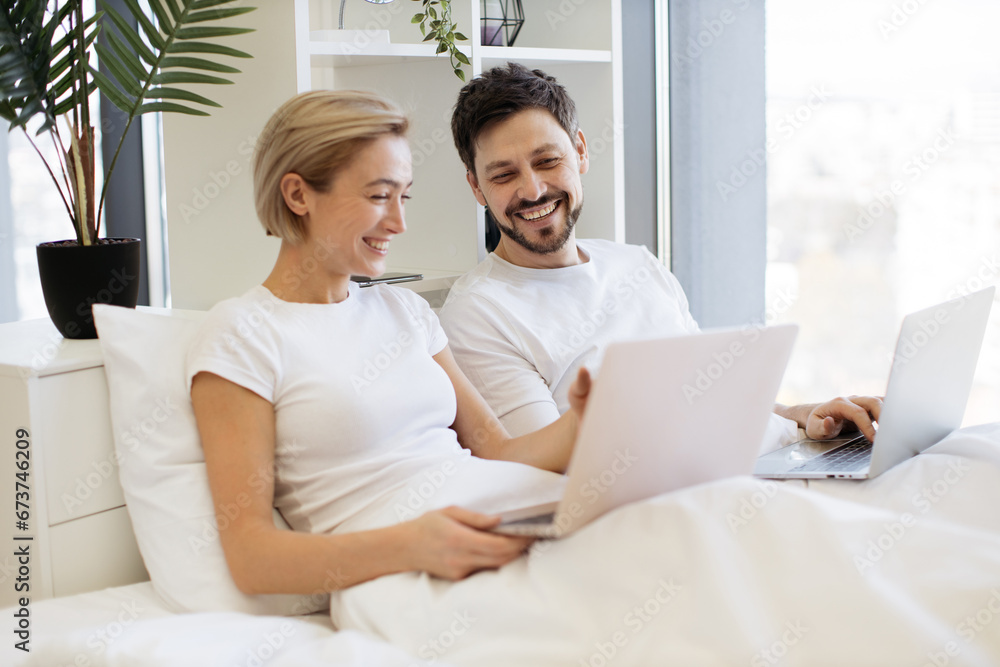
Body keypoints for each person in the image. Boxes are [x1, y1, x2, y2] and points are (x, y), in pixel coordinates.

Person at [186, 90, 592, 594]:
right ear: (298, 195)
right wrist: (414, 544)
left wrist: (588, 420)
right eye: (379, 196)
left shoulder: (405, 311)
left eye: (405, 197)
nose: (399, 223)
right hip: (409, 575)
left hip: (509, 519)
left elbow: (497, 450)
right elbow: (251, 557)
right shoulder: (242, 334)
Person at [439, 62, 882, 443]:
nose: (532, 190)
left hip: (752, 461)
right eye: (503, 175)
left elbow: (710, 397)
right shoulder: (479, 313)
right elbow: (545, 469)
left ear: (580, 151)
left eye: (547, 161)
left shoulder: (636, 264)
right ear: (476, 187)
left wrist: (802, 417)